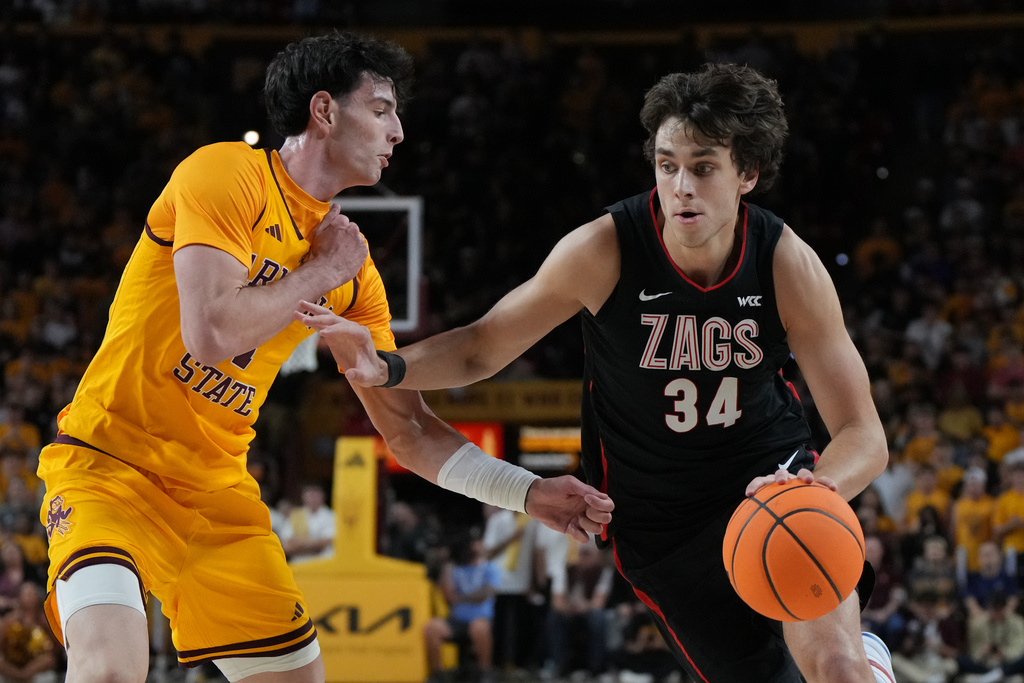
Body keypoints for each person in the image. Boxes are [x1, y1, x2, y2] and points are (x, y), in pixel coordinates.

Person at [34, 31, 612, 683]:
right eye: (382, 108)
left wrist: (527, 491)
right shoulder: (227, 174)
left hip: (215, 494)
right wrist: (321, 270)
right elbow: (213, 334)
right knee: (110, 670)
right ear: (325, 110)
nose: (397, 131)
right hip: (109, 466)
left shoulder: (355, 274)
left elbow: (409, 428)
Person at [299, 62, 893, 683]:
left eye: (704, 167)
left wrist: (813, 490)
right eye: (667, 166)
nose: (681, 186)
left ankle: (863, 661)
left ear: (747, 173)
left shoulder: (786, 263)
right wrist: (386, 365)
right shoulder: (604, 249)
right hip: (658, 522)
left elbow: (863, 434)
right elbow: (481, 348)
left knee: (836, 670)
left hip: (768, 477)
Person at [423, 531, 501, 683]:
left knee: (479, 627)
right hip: (457, 619)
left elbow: (486, 593)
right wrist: (446, 568)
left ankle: (485, 671)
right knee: (432, 627)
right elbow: (449, 597)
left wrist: (462, 597)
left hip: (480, 618)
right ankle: (438, 674)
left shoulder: (489, 568)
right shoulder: (453, 569)